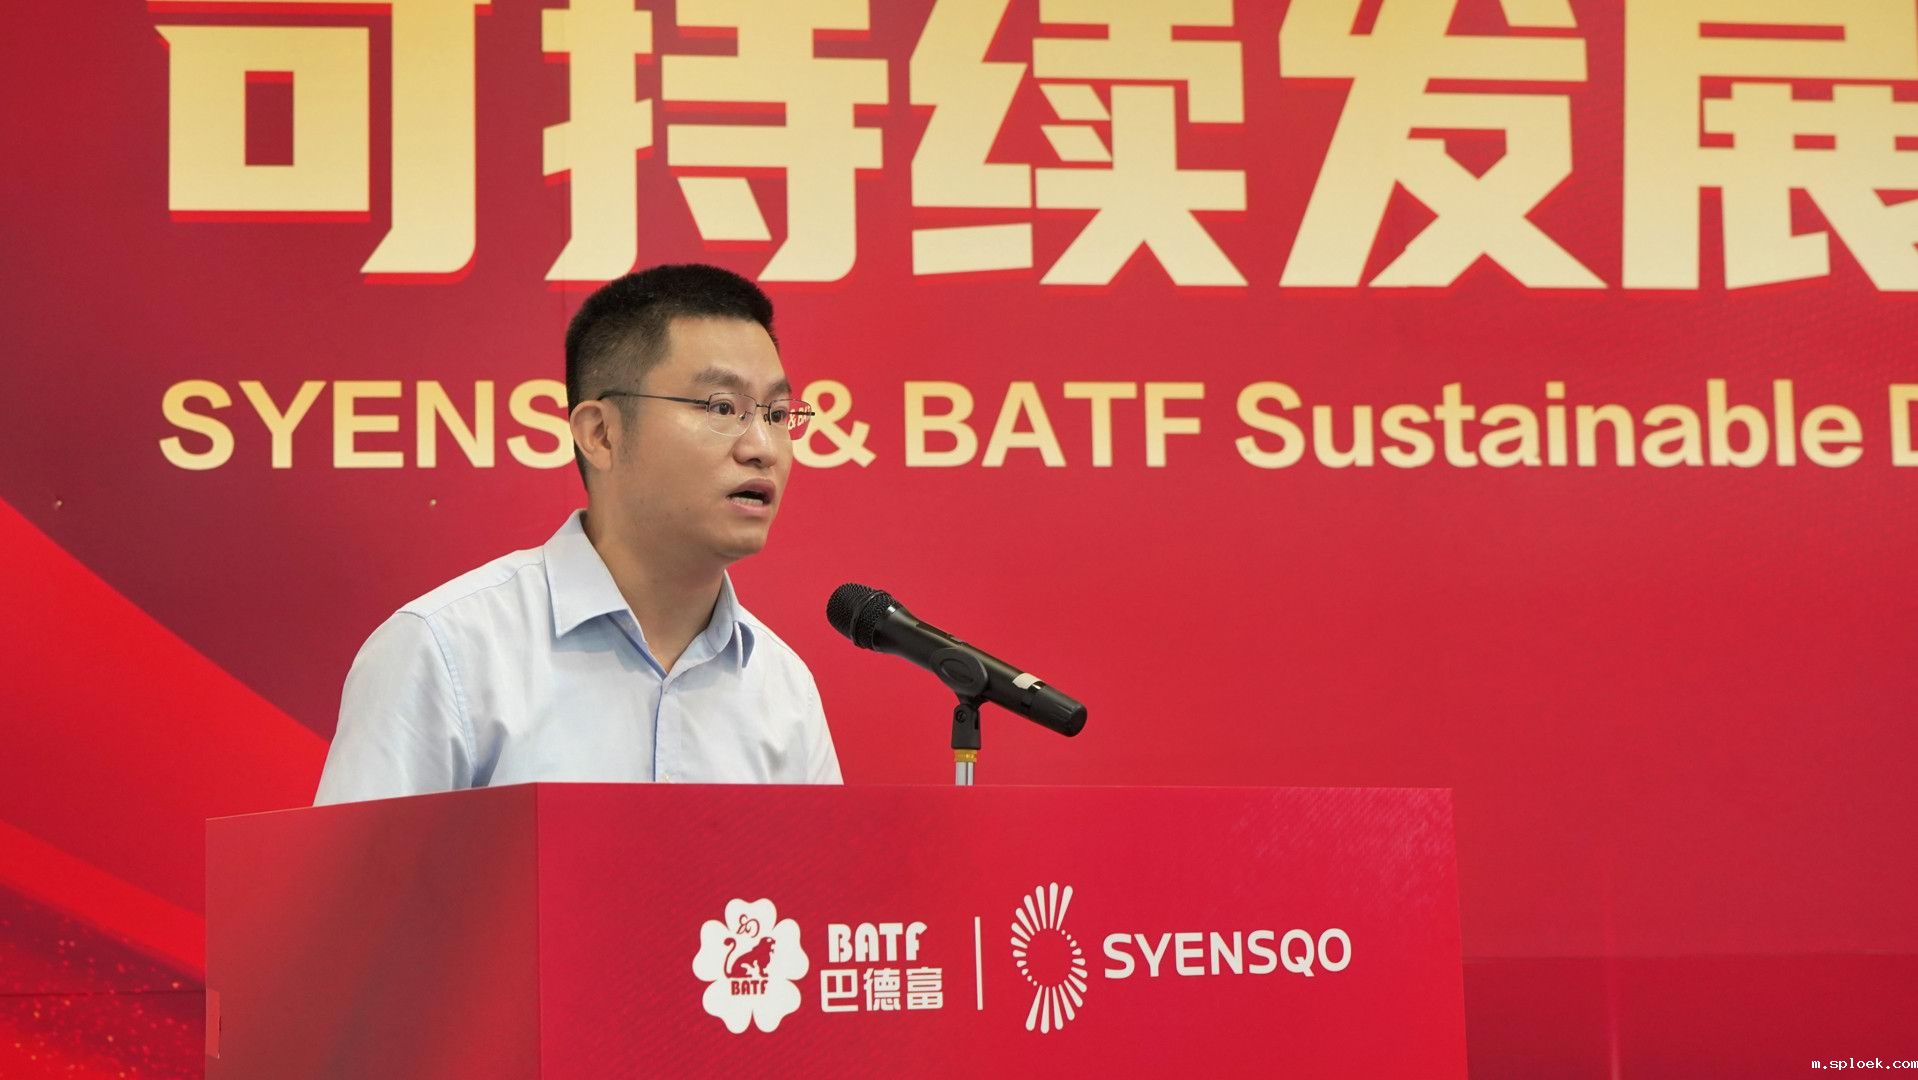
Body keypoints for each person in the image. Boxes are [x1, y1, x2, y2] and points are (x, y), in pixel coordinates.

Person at [314, 264, 841, 804]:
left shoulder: (785, 691)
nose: (763, 448)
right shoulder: (447, 651)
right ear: (601, 434)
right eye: (722, 407)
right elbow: (362, 865)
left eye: (778, 414)